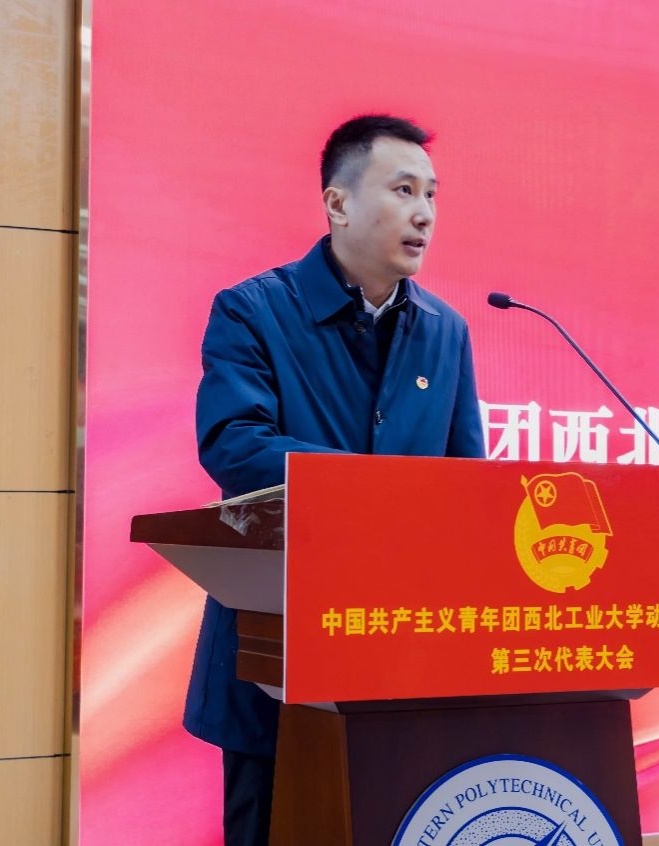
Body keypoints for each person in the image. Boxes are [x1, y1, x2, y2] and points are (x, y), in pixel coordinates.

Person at [189, 114, 486, 845]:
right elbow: (234, 444)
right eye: (404, 190)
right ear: (338, 203)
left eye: (432, 194)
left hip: (400, 653)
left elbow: (467, 483)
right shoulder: (254, 311)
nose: (425, 213)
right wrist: (370, 492)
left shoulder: (446, 332)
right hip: (276, 649)